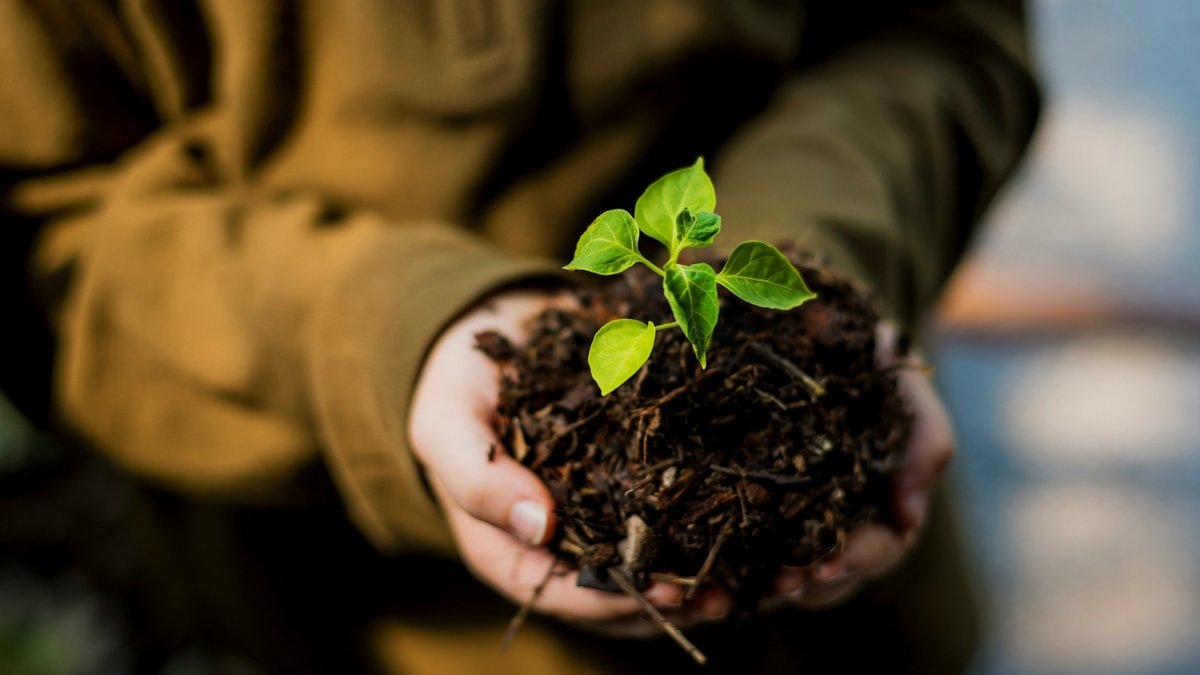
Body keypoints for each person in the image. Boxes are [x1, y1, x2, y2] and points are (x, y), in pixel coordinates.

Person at [0, 1, 1039, 673]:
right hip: (353, 618)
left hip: (838, 639)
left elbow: (943, 27)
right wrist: (391, 336)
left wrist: (824, 251)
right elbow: (44, 213)